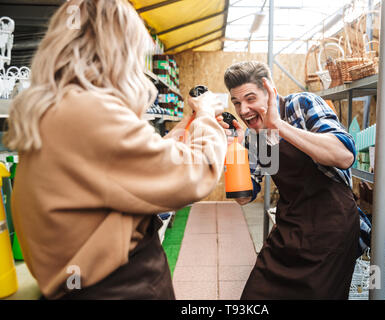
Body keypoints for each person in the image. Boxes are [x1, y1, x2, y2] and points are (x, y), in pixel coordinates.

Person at [4, 0, 226, 300]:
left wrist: (185, 125)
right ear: (117, 50)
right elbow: (199, 171)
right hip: (118, 288)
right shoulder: (89, 111)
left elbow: (128, 162)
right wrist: (206, 118)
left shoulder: (57, 107)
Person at [219, 61, 361, 299]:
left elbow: (344, 155)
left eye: (250, 99)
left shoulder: (302, 104)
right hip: (290, 228)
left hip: (331, 228)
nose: (243, 110)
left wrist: (280, 127)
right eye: (236, 103)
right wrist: (231, 148)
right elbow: (244, 197)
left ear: (270, 91)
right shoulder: (253, 136)